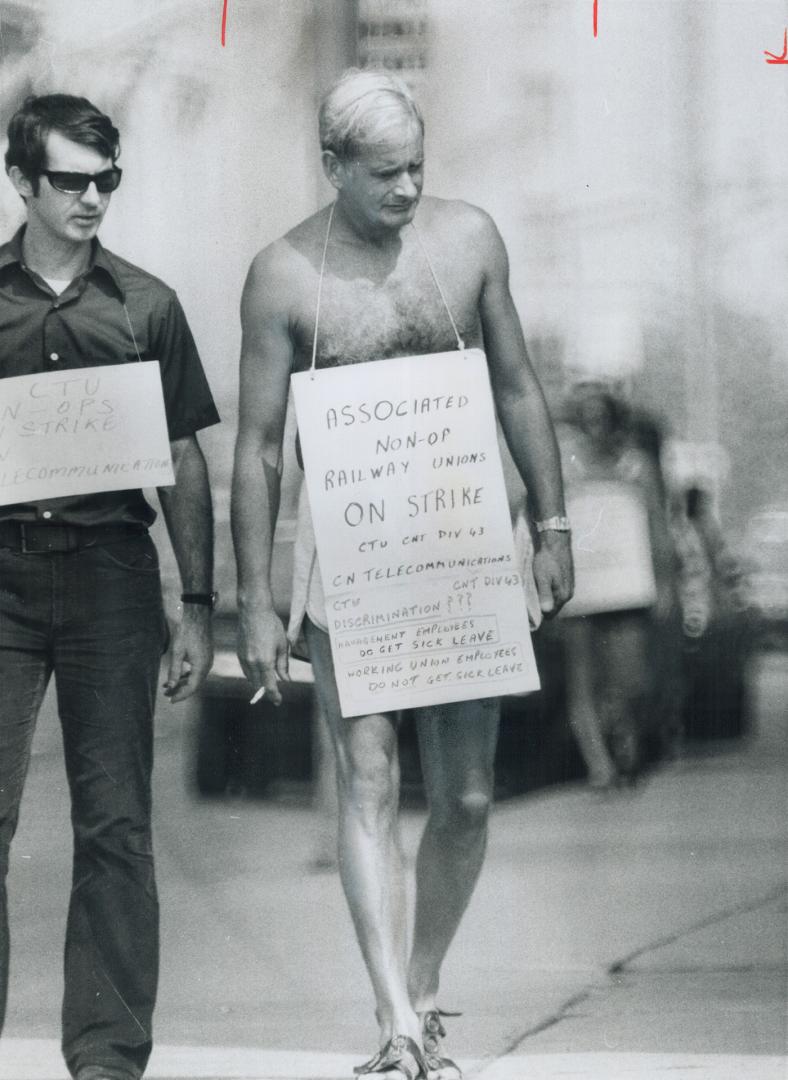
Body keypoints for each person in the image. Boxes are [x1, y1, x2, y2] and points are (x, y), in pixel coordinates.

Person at [232, 70, 573, 1080]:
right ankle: (392, 1021)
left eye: (419, 164)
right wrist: (255, 598)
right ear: (330, 166)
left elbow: (515, 384)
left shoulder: (468, 239)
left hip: (466, 541)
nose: (408, 186)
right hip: (353, 556)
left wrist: (551, 523)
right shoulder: (283, 275)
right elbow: (255, 449)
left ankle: (422, 982)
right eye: (384, 171)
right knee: (368, 781)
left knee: (466, 795)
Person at [0, 95, 219, 1080]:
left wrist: (200, 608)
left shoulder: (148, 305)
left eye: (107, 180)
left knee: (117, 827)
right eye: (71, 182)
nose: (92, 199)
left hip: (111, 589)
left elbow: (181, 455)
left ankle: (107, 1059)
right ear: (21, 183)